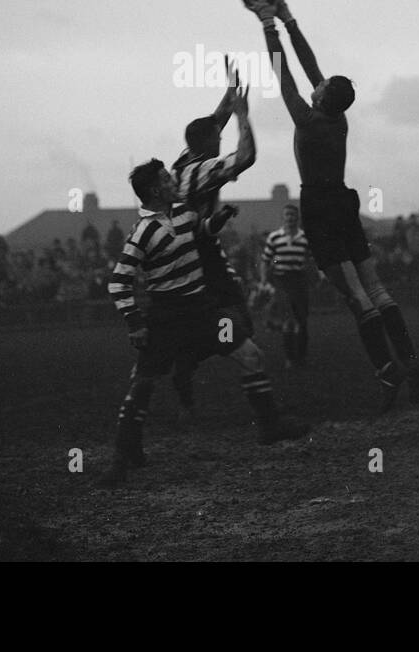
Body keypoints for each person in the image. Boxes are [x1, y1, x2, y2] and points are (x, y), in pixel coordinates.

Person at [244, 0, 419, 411]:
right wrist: (289, 18)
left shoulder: (308, 120)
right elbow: (310, 67)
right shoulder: (338, 119)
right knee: (376, 288)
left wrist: (268, 26)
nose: (317, 84)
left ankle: (387, 372)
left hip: (320, 207)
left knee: (356, 297)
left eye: (322, 86)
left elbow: (284, 72)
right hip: (344, 201)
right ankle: (412, 366)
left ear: (323, 98)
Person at [101, 159, 307, 487]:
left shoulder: (183, 212)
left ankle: (269, 425)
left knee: (252, 355)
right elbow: (118, 282)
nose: (174, 183)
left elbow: (201, 233)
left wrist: (218, 220)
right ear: (155, 190)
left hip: (201, 312)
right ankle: (120, 462)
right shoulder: (142, 233)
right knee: (141, 386)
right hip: (165, 319)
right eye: (167, 179)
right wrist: (135, 322)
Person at [168, 67, 256, 415]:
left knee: (228, 318)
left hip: (188, 247)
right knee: (240, 323)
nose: (220, 139)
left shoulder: (184, 159)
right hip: (201, 249)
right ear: (210, 145)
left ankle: (189, 359)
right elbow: (245, 157)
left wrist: (230, 94)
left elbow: (210, 126)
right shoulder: (201, 170)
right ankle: (195, 356)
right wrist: (244, 116)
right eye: (217, 139)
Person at [263, 205, 312, 367]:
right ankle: (290, 358)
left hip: (299, 280)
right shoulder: (275, 237)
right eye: (287, 215)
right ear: (283, 218)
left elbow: (313, 259)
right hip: (282, 280)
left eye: (293, 215)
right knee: (288, 319)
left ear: (297, 218)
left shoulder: (305, 238)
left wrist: (319, 275)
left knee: (301, 320)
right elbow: (266, 260)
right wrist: (264, 280)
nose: (290, 218)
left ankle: (301, 356)